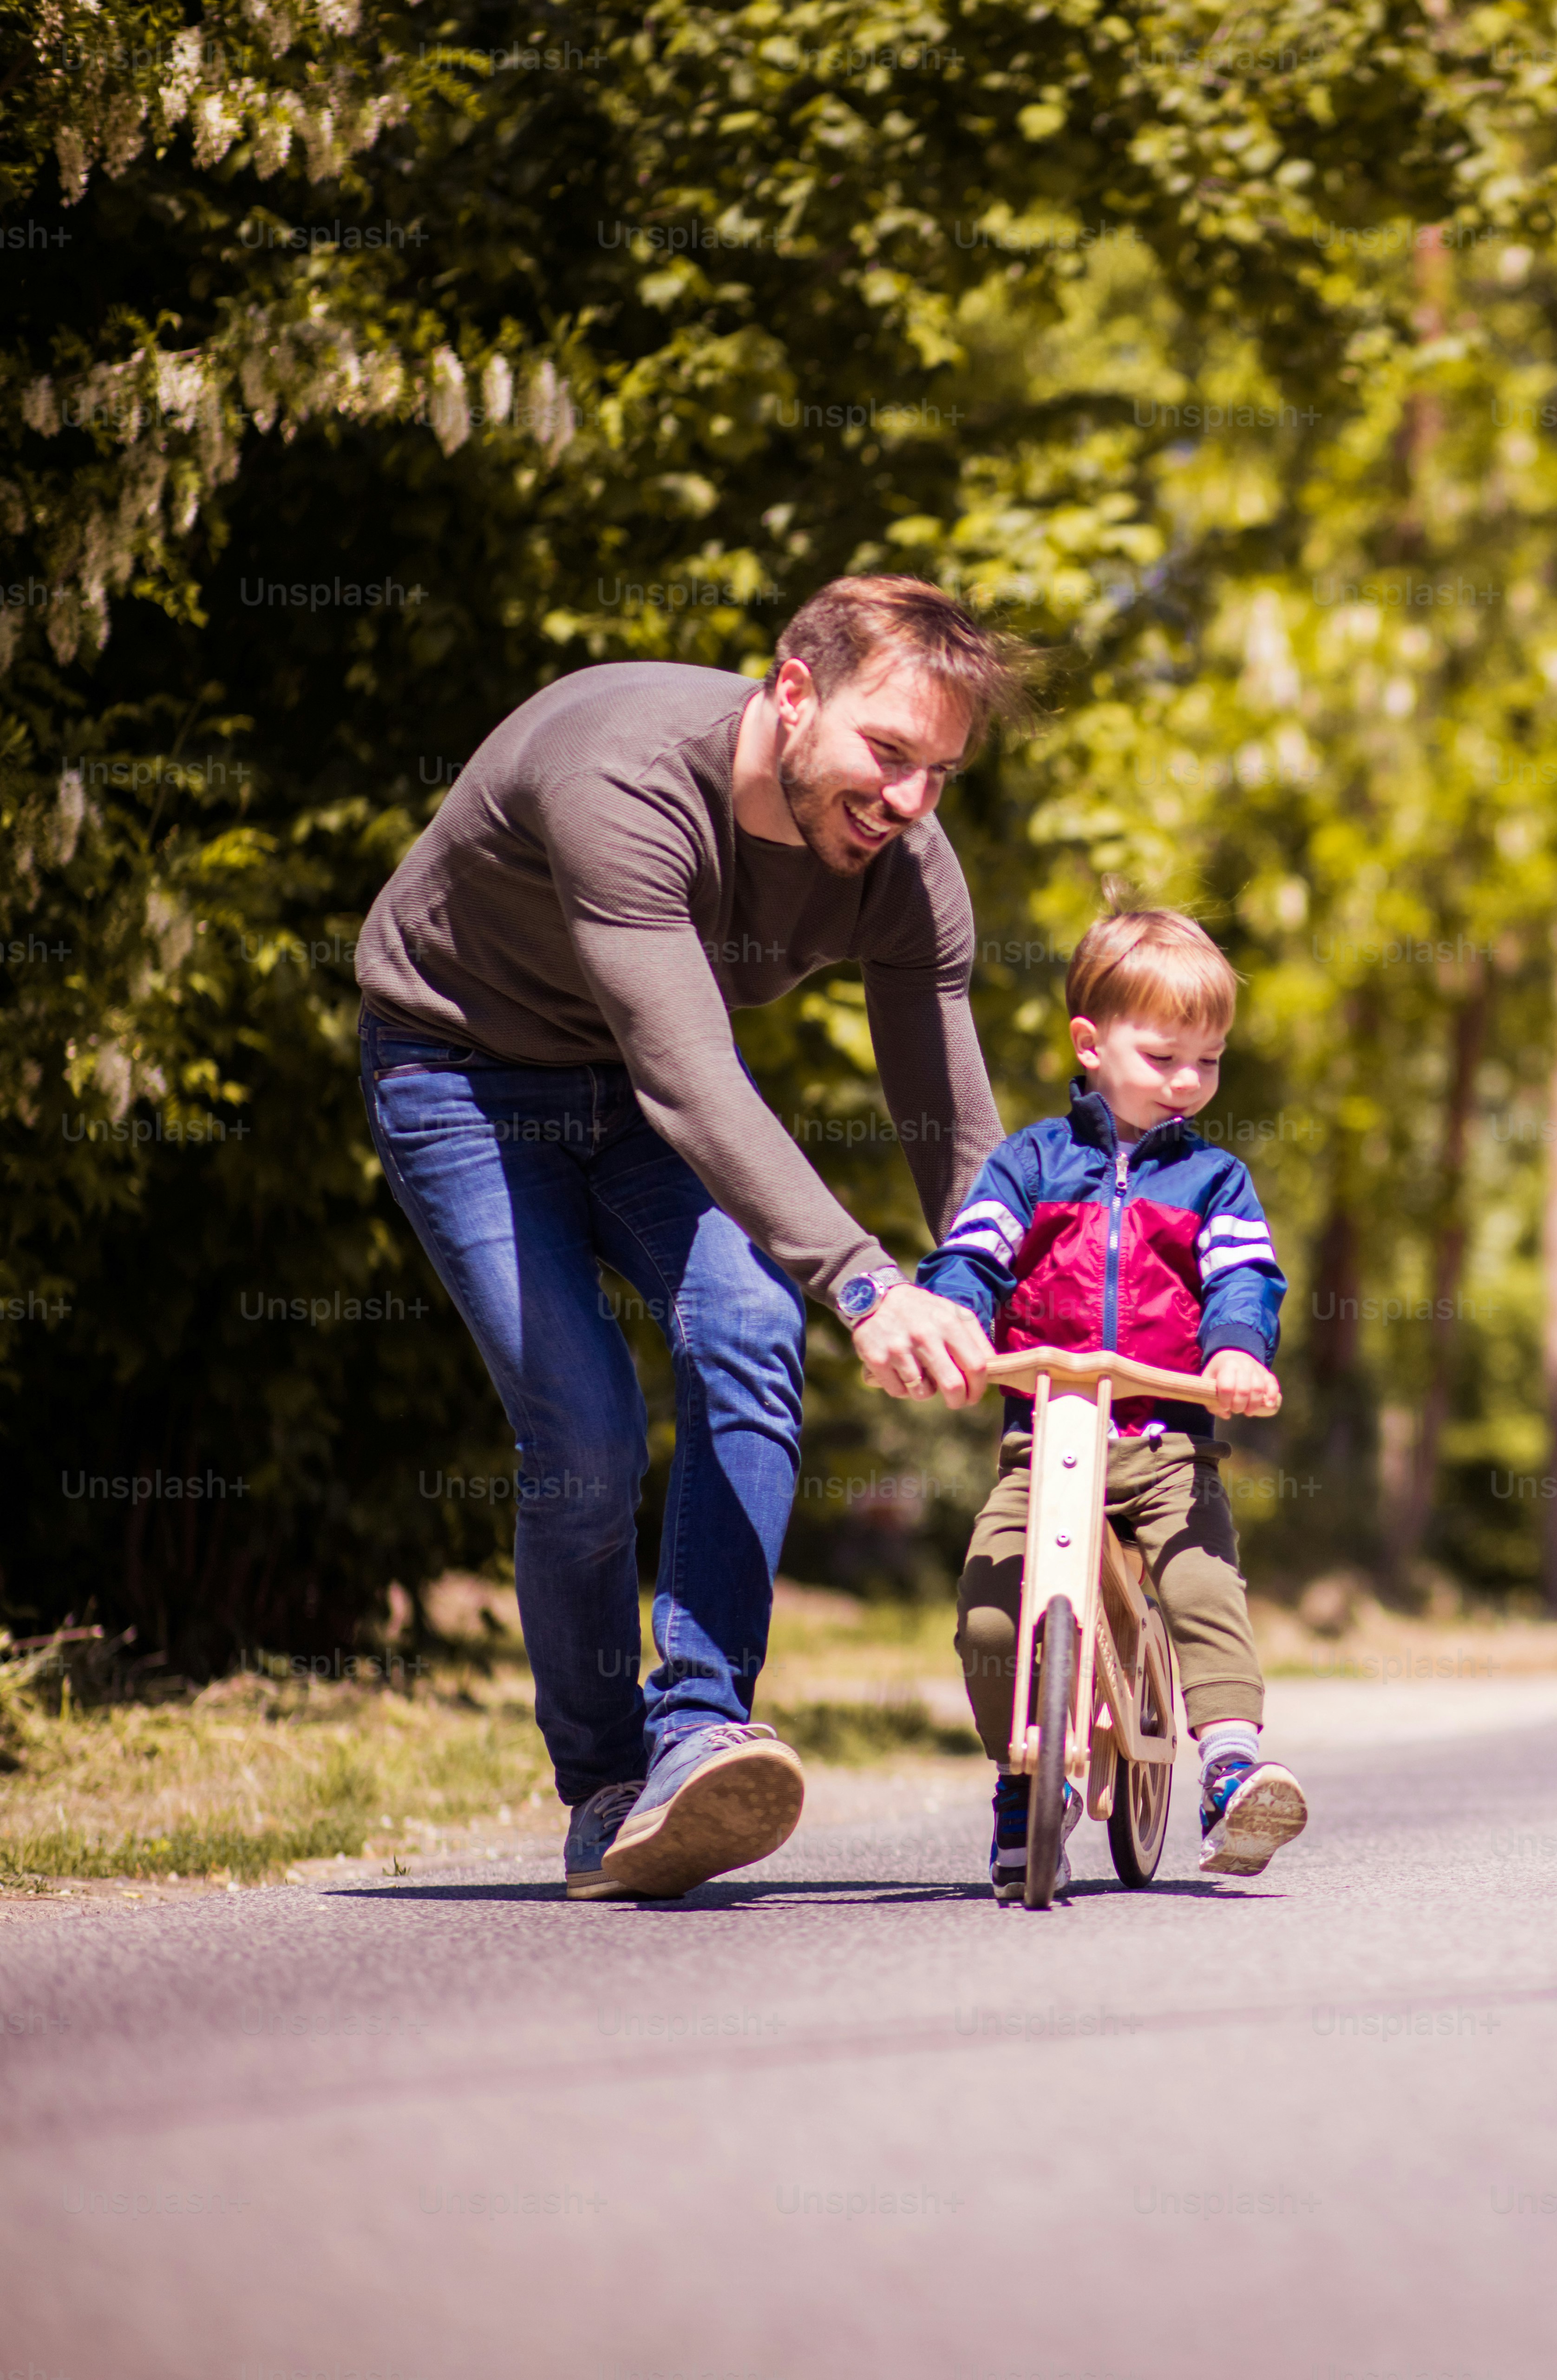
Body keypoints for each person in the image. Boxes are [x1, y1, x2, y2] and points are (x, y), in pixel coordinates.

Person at [358, 576, 1028, 1899]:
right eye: (887, 754)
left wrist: (1018, 1298)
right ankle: (606, 1786)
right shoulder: (622, 779)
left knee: (750, 1318)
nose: (906, 800)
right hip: (460, 1072)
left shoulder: (906, 870)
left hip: (640, 1090)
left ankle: (699, 1729)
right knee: (590, 1430)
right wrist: (868, 1280)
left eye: (939, 772)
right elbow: (693, 1078)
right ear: (793, 694)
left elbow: (951, 1121)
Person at [919, 911, 1306, 1894]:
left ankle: (1228, 1763)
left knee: (1200, 1581)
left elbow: (1244, 1281)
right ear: (1089, 1044)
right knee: (990, 1608)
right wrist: (957, 1325)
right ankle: (1020, 1773)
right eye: (1163, 1053)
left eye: (1208, 1060)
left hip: (1166, 1440)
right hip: (1046, 1437)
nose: (1187, 1079)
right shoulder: (1029, 1164)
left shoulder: (1216, 1180)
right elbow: (972, 1256)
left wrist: (1233, 1353)